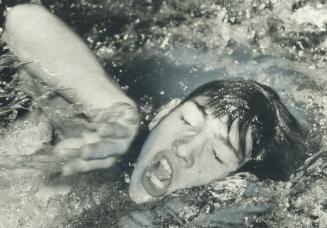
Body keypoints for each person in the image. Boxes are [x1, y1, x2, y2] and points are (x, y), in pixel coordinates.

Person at [4, 4, 307, 204]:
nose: (185, 149)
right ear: (162, 114)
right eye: (187, 120)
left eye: (216, 155)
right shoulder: (99, 154)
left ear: (234, 184)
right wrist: (110, 106)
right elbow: (21, 19)